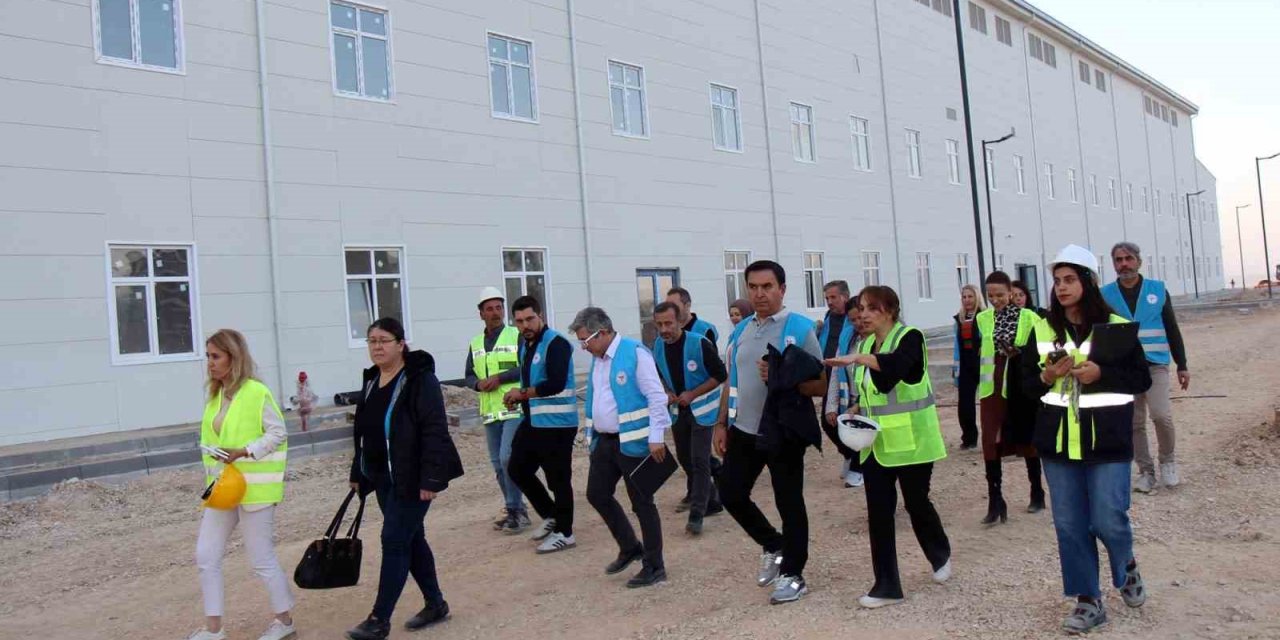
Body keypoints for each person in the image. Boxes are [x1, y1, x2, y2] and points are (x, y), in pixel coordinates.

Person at [1020, 246, 1151, 634]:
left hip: (1106, 442)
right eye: (1057, 281)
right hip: (1058, 445)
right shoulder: (1042, 328)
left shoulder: (1115, 325)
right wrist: (1045, 377)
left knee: (1108, 519)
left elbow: (1141, 378)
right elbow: (1025, 386)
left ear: (1087, 282)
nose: (1061, 288)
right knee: (1070, 524)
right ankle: (1088, 600)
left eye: (1069, 279)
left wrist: (1101, 375)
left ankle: (1126, 565)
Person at [827, 286, 951, 610]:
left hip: (912, 443)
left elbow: (894, 373)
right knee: (879, 513)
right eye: (862, 309)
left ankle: (940, 553)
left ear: (890, 310)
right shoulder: (867, 344)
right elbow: (873, 390)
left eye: (871, 308)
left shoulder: (910, 337)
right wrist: (855, 408)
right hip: (876, 444)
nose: (863, 315)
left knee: (916, 504)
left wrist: (859, 358)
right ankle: (887, 585)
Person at [713, 260, 827, 605]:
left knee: (789, 502)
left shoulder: (800, 329)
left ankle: (794, 573)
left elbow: (821, 383)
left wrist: (783, 375)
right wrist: (721, 423)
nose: (759, 293)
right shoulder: (741, 330)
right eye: (753, 287)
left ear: (782, 289)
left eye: (767, 286)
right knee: (731, 494)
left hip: (783, 430)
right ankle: (773, 544)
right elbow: (731, 379)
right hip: (744, 430)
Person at [346, 318, 464, 640]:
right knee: (411, 539)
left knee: (394, 540)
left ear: (401, 344)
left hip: (412, 478)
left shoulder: (418, 380)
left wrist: (431, 479)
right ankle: (436, 604)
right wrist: (359, 471)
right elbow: (363, 433)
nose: (377, 347)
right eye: (371, 341)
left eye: (384, 340)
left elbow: (434, 430)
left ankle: (378, 620)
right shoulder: (372, 380)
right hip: (384, 478)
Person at [191, 329, 296, 640]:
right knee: (205, 555)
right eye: (207, 356)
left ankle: (285, 621)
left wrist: (246, 450)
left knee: (261, 558)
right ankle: (214, 629)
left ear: (233, 358)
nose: (209, 363)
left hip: (255, 490)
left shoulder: (256, 392)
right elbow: (212, 442)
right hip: (222, 489)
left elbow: (278, 433)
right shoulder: (214, 396)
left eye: (215, 356)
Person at [573, 307, 673, 588]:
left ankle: (655, 566)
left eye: (586, 340)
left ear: (602, 332)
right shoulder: (599, 358)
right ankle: (630, 546)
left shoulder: (635, 353)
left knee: (642, 503)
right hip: (604, 442)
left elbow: (656, 396)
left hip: (635, 442)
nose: (584, 346)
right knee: (597, 494)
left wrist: (656, 436)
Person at [1100, 242, 1190, 493]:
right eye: (1118, 260)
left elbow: (1172, 328)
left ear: (1139, 261)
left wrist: (1182, 364)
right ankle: (1146, 471)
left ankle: (1168, 462)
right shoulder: (1105, 294)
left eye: (1128, 258)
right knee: (1134, 422)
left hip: (1155, 363)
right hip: (1124, 367)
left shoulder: (1157, 290)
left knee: (1161, 415)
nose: (1124, 264)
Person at [503, 295, 580, 554]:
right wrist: (519, 399)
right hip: (534, 421)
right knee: (517, 468)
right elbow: (530, 381)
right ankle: (551, 514)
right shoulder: (526, 344)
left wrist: (522, 393)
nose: (525, 325)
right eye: (519, 321)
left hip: (558, 423)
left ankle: (565, 533)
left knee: (558, 479)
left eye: (529, 319)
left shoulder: (556, 343)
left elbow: (556, 383)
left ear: (541, 316)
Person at [652, 301, 727, 535]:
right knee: (685, 458)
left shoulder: (699, 343)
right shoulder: (657, 346)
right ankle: (712, 500)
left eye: (668, 323)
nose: (664, 329)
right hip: (678, 411)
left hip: (703, 410)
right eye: (659, 324)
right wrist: (665, 391)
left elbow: (721, 374)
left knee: (699, 459)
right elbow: (657, 375)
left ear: (679, 321)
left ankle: (697, 514)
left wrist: (693, 393)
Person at [976, 272, 1045, 523]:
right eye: (991, 295)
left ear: (1011, 293)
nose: (995, 300)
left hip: (1018, 386)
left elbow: (1043, 348)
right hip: (991, 388)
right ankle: (996, 500)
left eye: (1000, 295)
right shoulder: (983, 319)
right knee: (990, 442)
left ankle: (1036, 491)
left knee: (1026, 437)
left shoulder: (1028, 317)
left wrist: (1019, 353)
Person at [464, 287, 529, 534]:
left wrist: (500, 378)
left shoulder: (516, 335)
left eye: (499, 307)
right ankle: (514, 508)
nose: (496, 313)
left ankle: (517, 510)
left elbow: (526, 366)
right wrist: (478, 384)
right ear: (481, 313)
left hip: (513, 408)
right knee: (497, 464)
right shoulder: (476, 343)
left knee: (507, 458)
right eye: (489, 309)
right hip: (490, 412)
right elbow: (469, 375)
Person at [817, 280, 862, 487]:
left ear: (845, 296)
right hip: (832, 375)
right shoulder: (829, 319)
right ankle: (849, 455)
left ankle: (858, 467)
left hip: (857, 387)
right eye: (827, 298)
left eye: (833, 297)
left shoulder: (852, 323)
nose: (829, 302)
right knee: (829, 421)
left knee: (857, 425)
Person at [952, 284, 985, 450]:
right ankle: (969, 438)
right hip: (965, 364)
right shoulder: (958, 319)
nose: (967, 300)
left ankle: (995, 438)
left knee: (988, 402)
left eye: (970, 296)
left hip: (982, 362)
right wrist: (955, 369)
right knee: (965, 404)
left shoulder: (985, 316)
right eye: (964, 297)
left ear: (977, 297)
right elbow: (956, 346)